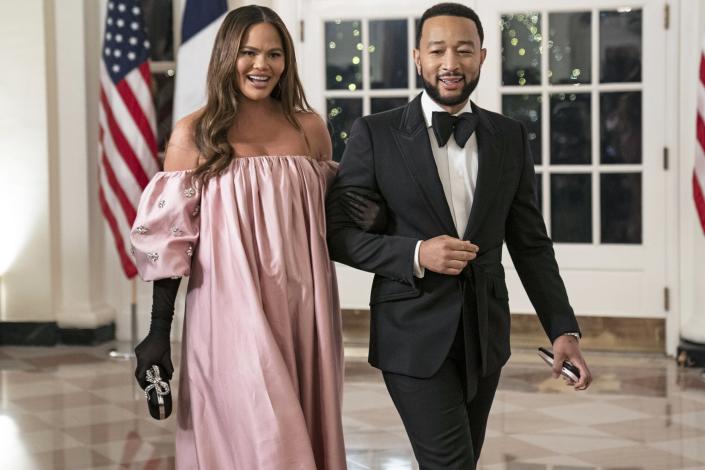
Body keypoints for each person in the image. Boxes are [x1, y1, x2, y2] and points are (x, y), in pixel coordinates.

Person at [326, 3, 593, 469]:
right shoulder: (375, 134)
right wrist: (414, 252)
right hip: (410, 334)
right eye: (438, 50)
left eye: (464, 50)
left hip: (485, 336)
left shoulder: (510, 136)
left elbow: (530, 242)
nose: (451, 63)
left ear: (482, 57)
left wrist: (563, 328)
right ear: (417, 57)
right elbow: (337, 235)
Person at [130, 6, 350, 469]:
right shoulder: (195, 133)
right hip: (226, 310)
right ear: (227, 55)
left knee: (299, 424)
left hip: (304, 311)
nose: (261, 65)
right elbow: (171, 240)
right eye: (248, 52)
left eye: (274, 53)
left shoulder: (310, 129)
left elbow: (333, 218)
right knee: (259, 433)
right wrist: (156, 332)